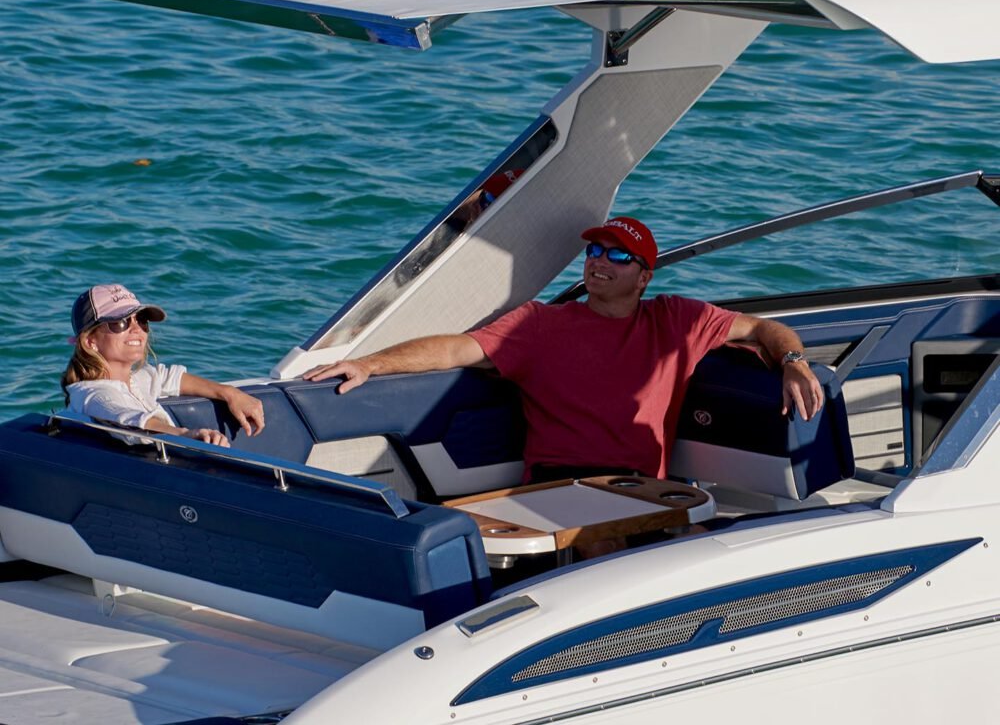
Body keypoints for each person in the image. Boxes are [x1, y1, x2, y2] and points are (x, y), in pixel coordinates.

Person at [303, 216, 824, 482]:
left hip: (640, 486)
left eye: (617, 256)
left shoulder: (678, 319)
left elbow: (763, 329)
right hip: (559, 481)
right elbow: (456, 350)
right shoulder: (540, 325)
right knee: (608, 547)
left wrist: (794, 362)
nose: (599, 260)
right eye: (594, 250)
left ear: (643, 277)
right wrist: (371, 363)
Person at [61, 283, 265, 447]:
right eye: (120, 322)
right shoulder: (93, 395)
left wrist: (230, 394)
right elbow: (129, 421)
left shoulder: (137, 378)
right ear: (90, 341)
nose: (136, 329)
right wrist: (185, 435)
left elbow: (170, 378)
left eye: (141, 320)